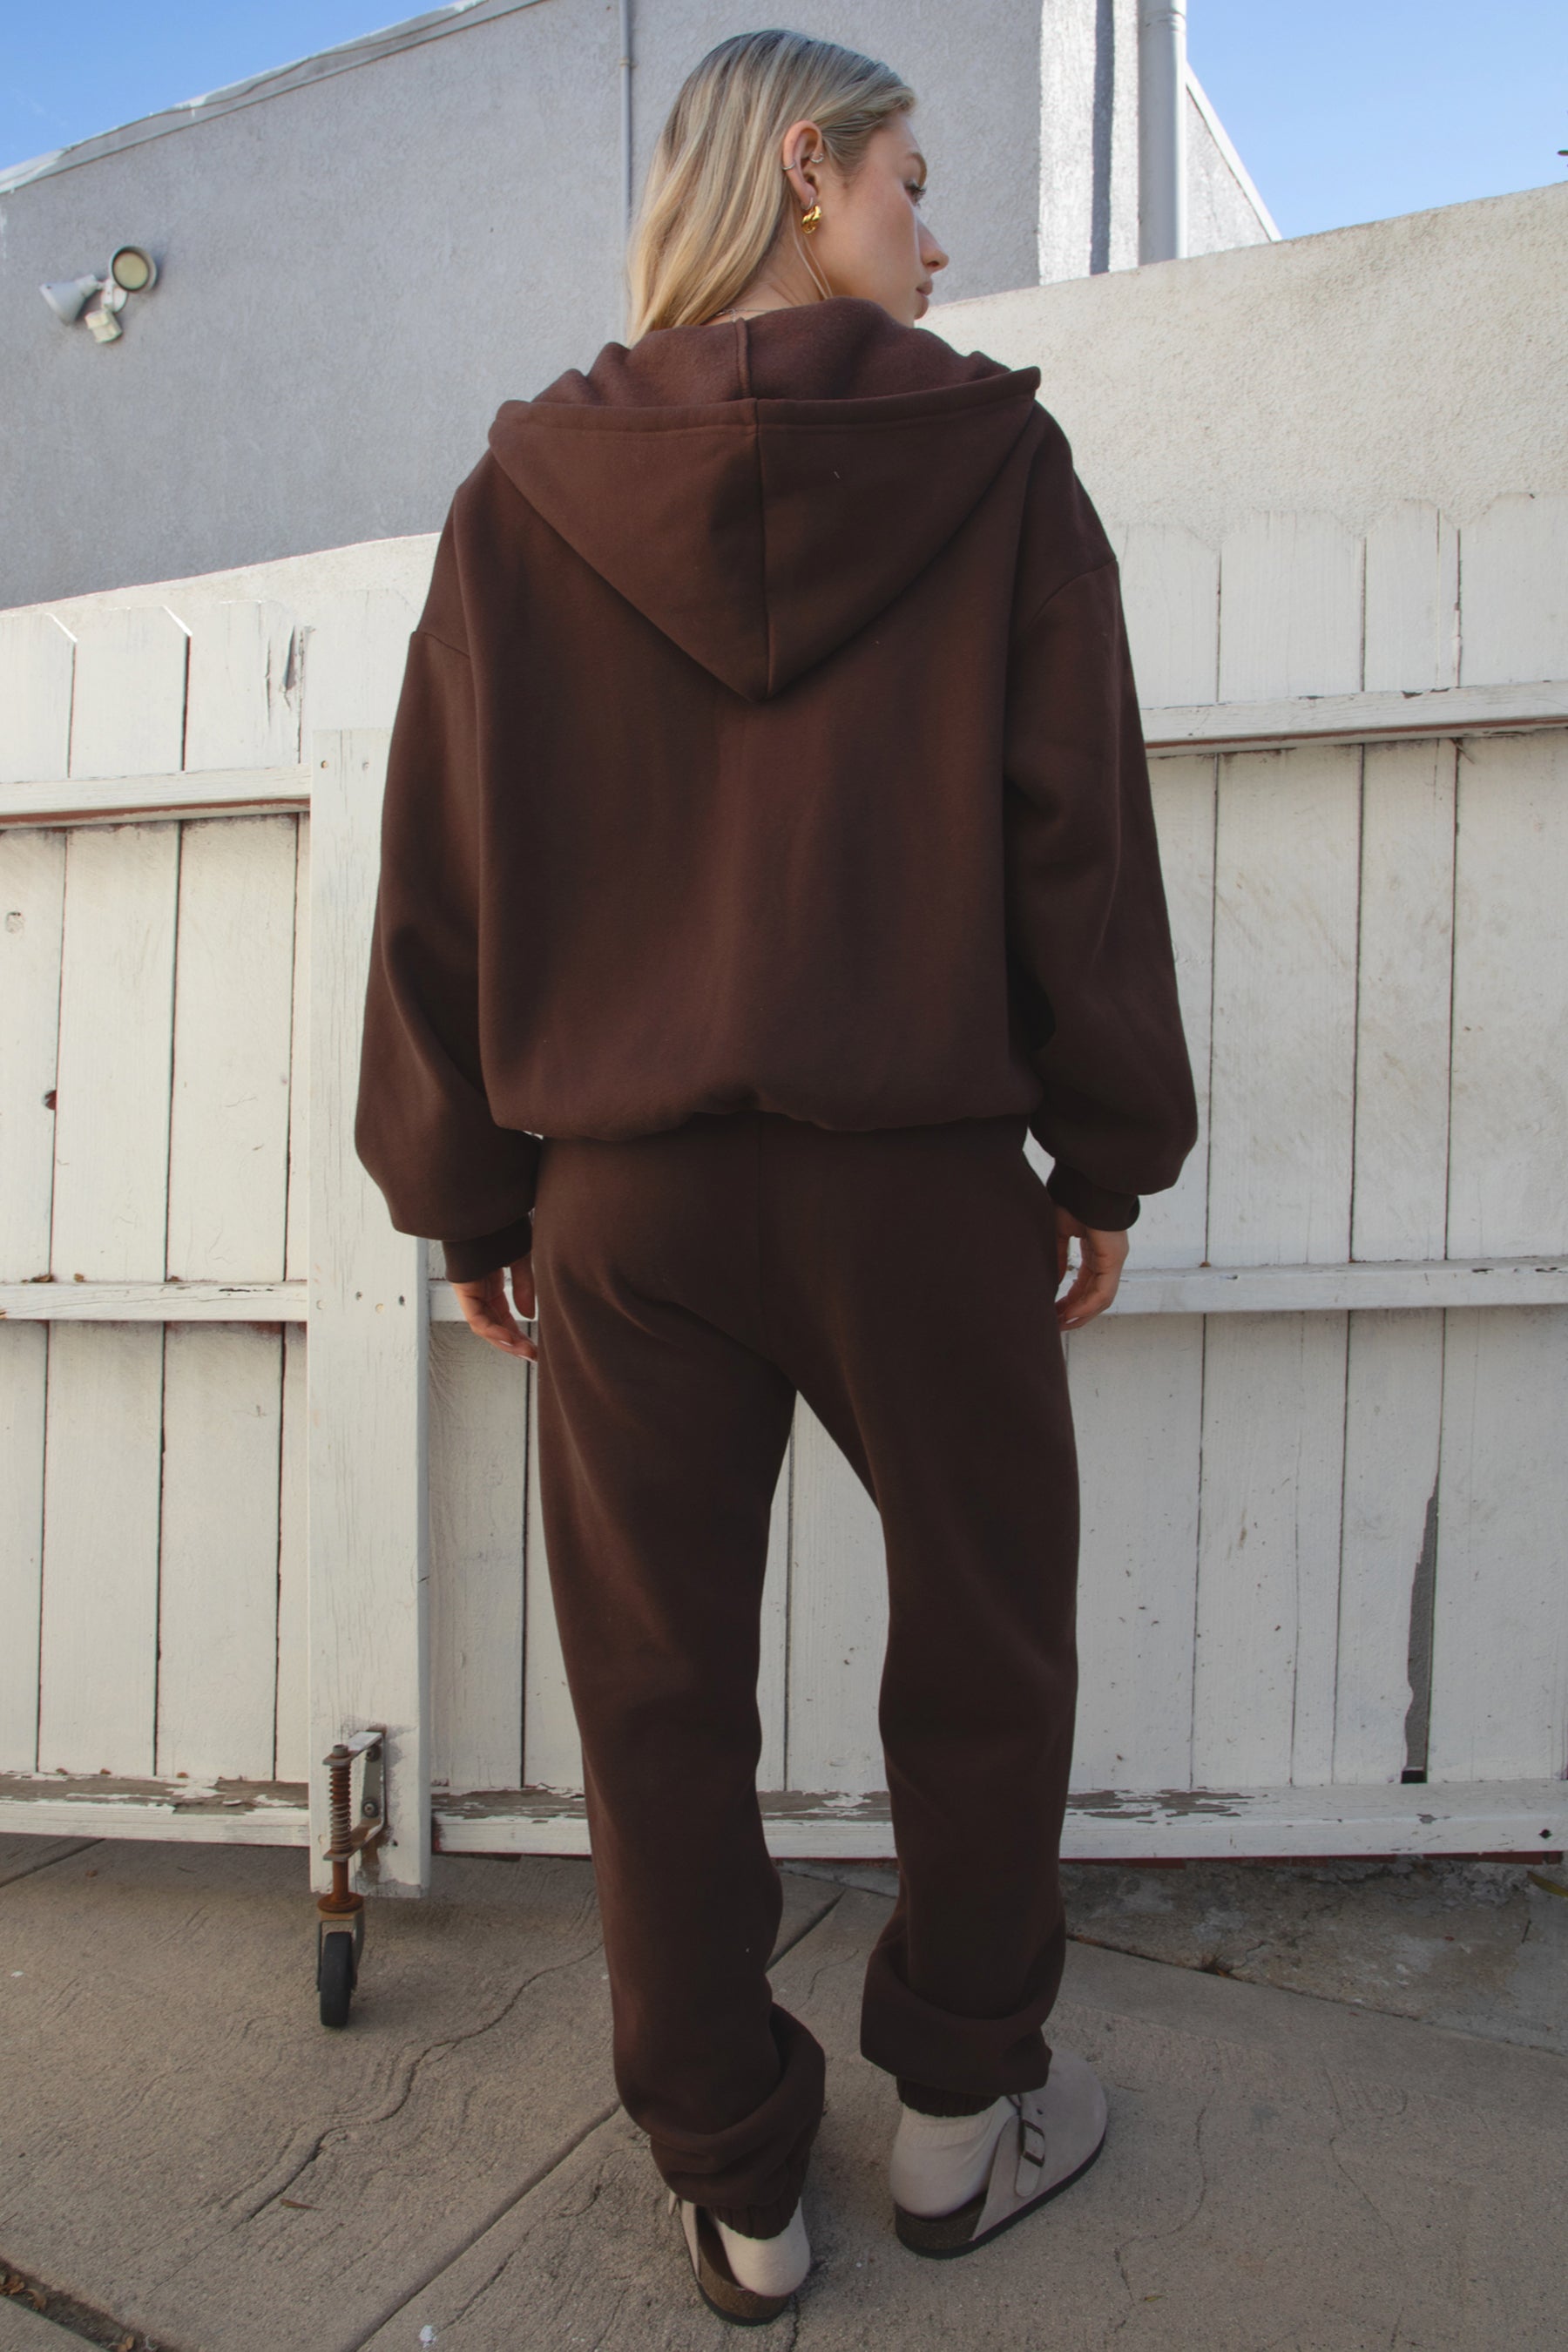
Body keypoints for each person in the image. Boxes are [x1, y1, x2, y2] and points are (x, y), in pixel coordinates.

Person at [354, 26, 1198, 2329]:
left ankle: (741, 2181)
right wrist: (1107, 1146)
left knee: (653, 1697)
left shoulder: (517, 499)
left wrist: (469, 1194)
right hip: (918, 1174)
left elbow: (442, 868)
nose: (946, 231)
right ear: (809, 173)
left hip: (623, 1204)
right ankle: (957, 2117)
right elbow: (1076, 849)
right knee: (991, 1639)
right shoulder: (1002, 468)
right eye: (916, 179)